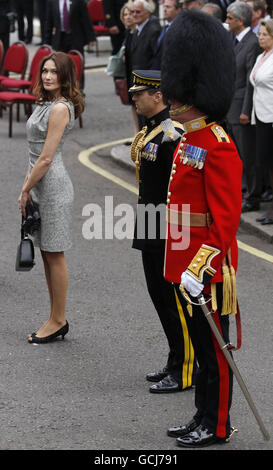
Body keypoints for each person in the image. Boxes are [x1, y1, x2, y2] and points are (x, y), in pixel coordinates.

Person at [161, 10, 243, 447]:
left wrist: (199, 267)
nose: (171, 100)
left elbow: (225, 221)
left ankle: (219, 424)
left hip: (207, 272)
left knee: (215, 354)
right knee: (201, 348)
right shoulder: (190, 139)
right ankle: (201, 416)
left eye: (177, 94)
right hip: (185, 265)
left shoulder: (218, 146)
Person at [130, 69, 196, 393]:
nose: (134, 97)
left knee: (173, 300)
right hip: (149, 218)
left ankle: (185, 369)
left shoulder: (172, 134)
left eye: (139, 93)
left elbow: (181, 189)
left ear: (158, 95)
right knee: (157, 294)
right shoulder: (152, 130)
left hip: (166, 223)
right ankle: (175, 358)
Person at [18, 52, 84, 344]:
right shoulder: (46, 103)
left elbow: (45, 159)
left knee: (55, 254)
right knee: (46, 252)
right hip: (38, 183)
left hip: (52, 186)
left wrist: (24, 189)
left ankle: (58, 320)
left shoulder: (59, 108)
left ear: (65, 77)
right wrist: (28, 185)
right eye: (44, 71)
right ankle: (55, 317)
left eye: (54, 73)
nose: (47, 77)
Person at [226, 1, 262, 212]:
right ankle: (241, 190)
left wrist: (245, 111)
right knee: (236, 155)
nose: (226, 21)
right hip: (230, 107)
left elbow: (249, 81)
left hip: (241, 108)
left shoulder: (252, 42)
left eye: (230, 18)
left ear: (240, 20)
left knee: (248, 155)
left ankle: (252, 195)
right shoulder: (234, 40)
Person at [249, 19, 273, 224]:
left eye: (265, 34)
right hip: (261, 117)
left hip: (272, 117)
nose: (260, 37)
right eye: (260, 34)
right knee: (264, 163)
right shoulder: (260, 56)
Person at [45, 0, 95, 89]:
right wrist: (47, 42)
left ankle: (79, 90)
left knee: (77, 65)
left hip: (75, 37)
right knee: (60, 66)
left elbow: (85, 18)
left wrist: (91, 37)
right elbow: (49, 22)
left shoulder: (78, 1)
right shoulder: (52, 2)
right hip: (60, 38)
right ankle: (62, 91)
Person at [130, 1, 161, 128]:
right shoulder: (137, 30)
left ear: (147, 13)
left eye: (138, 12)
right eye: (133, 11)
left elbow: (156, 59)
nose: (134, 15)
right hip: (138, 82)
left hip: (147, 84)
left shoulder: (153, 30)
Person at [120, 1, 139, 132]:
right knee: (133, 104)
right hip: (129, 73)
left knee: (139, 104)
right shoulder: (128, 32)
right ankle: (136, 132)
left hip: (137, 74)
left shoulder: (138, 33)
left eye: (130, 14)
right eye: (125, 14)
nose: (127, 17)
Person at [152, 0, 182, 69]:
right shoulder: (165, 28)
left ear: (178, 10)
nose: (164, 10)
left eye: (168, 7)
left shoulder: (181, 29)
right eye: (164, 7)